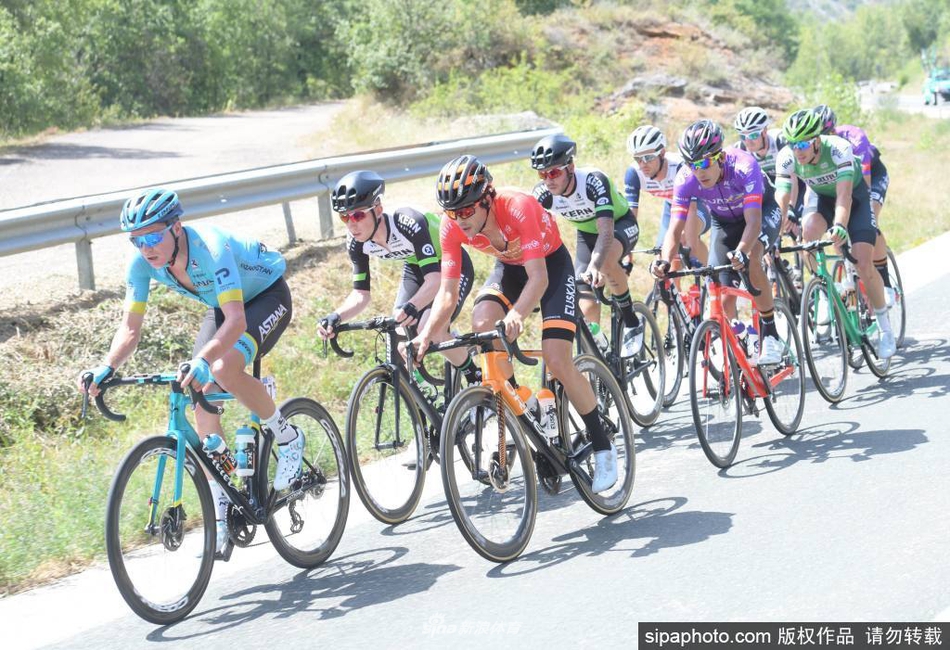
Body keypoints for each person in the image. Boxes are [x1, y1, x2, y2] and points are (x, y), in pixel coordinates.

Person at [77, 188, 302, 554]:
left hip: (266, 296)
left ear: (176, 227)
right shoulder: (141, 264)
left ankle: (288, 435)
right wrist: (107, 366)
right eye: (136, 240)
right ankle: (223, 505)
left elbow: (236, 321)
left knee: (222, 368)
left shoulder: (210, 248)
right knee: (199, 394)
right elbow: (130, 328)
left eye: (153, 236)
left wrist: (205, 360)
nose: (146, 247)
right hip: (223, 306)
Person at [412, 155, 618, 492]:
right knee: (482, 322)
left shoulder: (518, 207)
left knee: (557, 359)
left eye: (466, 210)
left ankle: (602, 446)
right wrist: (426, 335)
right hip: (509, 268)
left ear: (487, 199)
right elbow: (447, 293)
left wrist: (517, 314)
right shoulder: (452, 227)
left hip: (550, 266)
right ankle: (525, 402)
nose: (460, 219)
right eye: (452, 212)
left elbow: (539, 278)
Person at [316, 170, 478, 382]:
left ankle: (475, 376)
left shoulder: (407, 221)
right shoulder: (356, 242)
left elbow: (435, 279)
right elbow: (361, 294)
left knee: (431, 327)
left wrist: (414, 306)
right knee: (400, 331)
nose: (351, 224)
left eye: (357, 215)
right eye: (344, 217)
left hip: (451, 264)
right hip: (416, 266)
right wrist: (336, 316)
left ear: (378, 209)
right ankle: (420, 390)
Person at [651, 119, 784, 366]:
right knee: (722, 294)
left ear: (720, 157)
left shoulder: (744, 165)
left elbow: (753, 223)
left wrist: (742, 251)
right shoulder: (685, 178)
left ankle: (771, 334)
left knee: (752, 258)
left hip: (761, 214)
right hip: (724, 223)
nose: (698, 171)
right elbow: (675, 228)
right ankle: (741, 346)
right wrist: (664, 261)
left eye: (703, 163)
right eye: (692, 164)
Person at [774, 109, 895, 359]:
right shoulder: (786, 156)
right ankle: (823, 288)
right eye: (793, 144)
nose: (798, 150)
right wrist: (774, 233)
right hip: (820, 198)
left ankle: (885, 328)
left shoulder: (839, 148)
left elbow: (844, 195)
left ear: (817, 140)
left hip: (855, 198)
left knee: (863, 262)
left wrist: (839, 225)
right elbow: (782, 196)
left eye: (803, 144)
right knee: (808, 235)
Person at [529, 133, 643, 357]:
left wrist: (595, 265)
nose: (548, 180)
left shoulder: (593, 181)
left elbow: (606, 231)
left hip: (620, 224)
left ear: (570, 167)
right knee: (584, 297)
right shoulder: (542, 194)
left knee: (606, 263)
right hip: (586, 234)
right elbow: (535, 240)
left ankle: (632, 321)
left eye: (554, 172)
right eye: (542, 174)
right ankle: (600, 351)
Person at [814, 105, 895, 307]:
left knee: (870, 220)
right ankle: (850, 270)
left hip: (871, 177)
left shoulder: (854, 137)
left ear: (834, 129)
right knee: (837, 229)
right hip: (841, 183)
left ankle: (885, 281)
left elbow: (864, 186)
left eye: (828, 134)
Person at [624, 125, 710, 265]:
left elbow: (692, 209)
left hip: (700, 203)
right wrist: (627, 250)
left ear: (662, 153)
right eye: (638, 158)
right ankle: (673, 280)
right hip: (672, 205)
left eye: (648, 157)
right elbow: (630, 217)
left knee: (684, 238)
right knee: (662, 254)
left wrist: (691, 248)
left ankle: (709, 273)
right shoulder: (634, 173)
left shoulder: (680, 167)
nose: (643, 164)